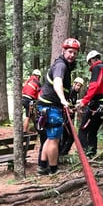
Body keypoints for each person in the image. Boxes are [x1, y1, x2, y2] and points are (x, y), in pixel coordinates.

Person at [36, 37, 80, 175]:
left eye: (74, 53)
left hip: (47, 106)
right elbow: (57, 82)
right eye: (70, 52)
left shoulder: (62, 65)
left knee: (49, 138)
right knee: (54, 139)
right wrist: (62, 100)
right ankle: (53, 169)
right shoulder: (61, 66)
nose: (72, 55)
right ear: (63, 51)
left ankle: (42, 167)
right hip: (51, 107)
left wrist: (68, 104)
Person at [77, 50, 103, 158]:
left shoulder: (97, 68)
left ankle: (85, 155)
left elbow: (94, 86)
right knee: (92, 131)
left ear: (91, 60)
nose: (90, 66)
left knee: (82, 130)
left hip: (97, 105)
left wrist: (84, 101)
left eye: (89, 63)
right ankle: (91, 154)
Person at [59, 77, 84, 158]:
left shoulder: (75, 94)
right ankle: (63, 152)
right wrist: (69, 109)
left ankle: (62, 153)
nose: (78, 87)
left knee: (66, 136)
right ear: (74, 84)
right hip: (64, 118)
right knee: (71, 136)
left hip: (68, 118)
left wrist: (76, 109)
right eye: (78, 85)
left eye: (80, 86)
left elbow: (72, 105)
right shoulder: (69, 91)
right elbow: (64, 103)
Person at [21, 69, 42, 133]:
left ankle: (37, 128)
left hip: (23, 98)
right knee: (28, 116)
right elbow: (39, 95)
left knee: (32, 114)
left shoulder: (27, 80)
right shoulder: (37, 82)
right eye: (39, 77)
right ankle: (24, 131)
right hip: (30, 100)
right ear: (38, 76)